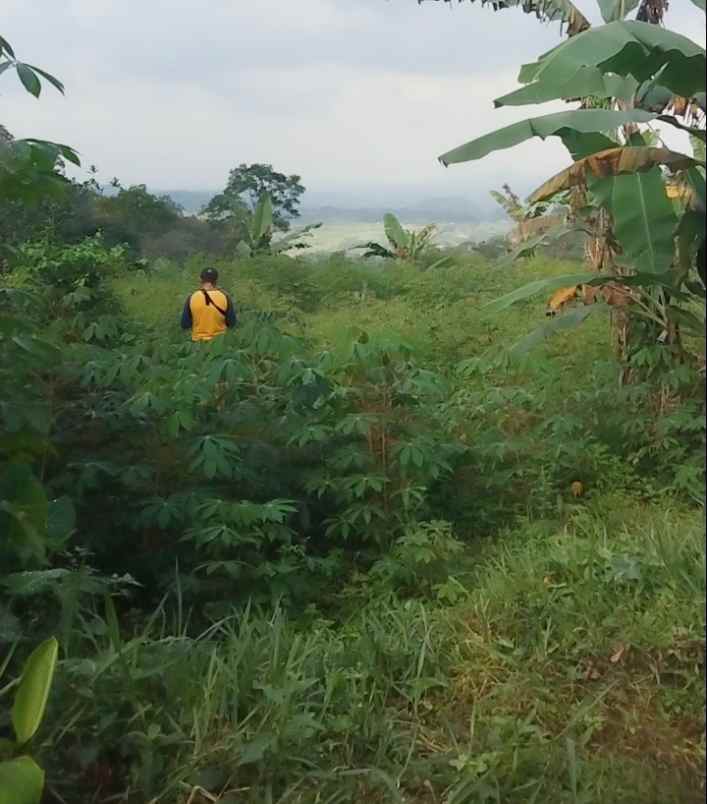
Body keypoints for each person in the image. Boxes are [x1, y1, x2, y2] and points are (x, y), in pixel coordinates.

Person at [180, 267, 237, 342]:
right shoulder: (224, 297)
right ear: (216, 281)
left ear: (201, 280)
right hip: (220, 343)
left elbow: (185, 325)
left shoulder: (192, 297)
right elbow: (232, 323)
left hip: (198, 343)